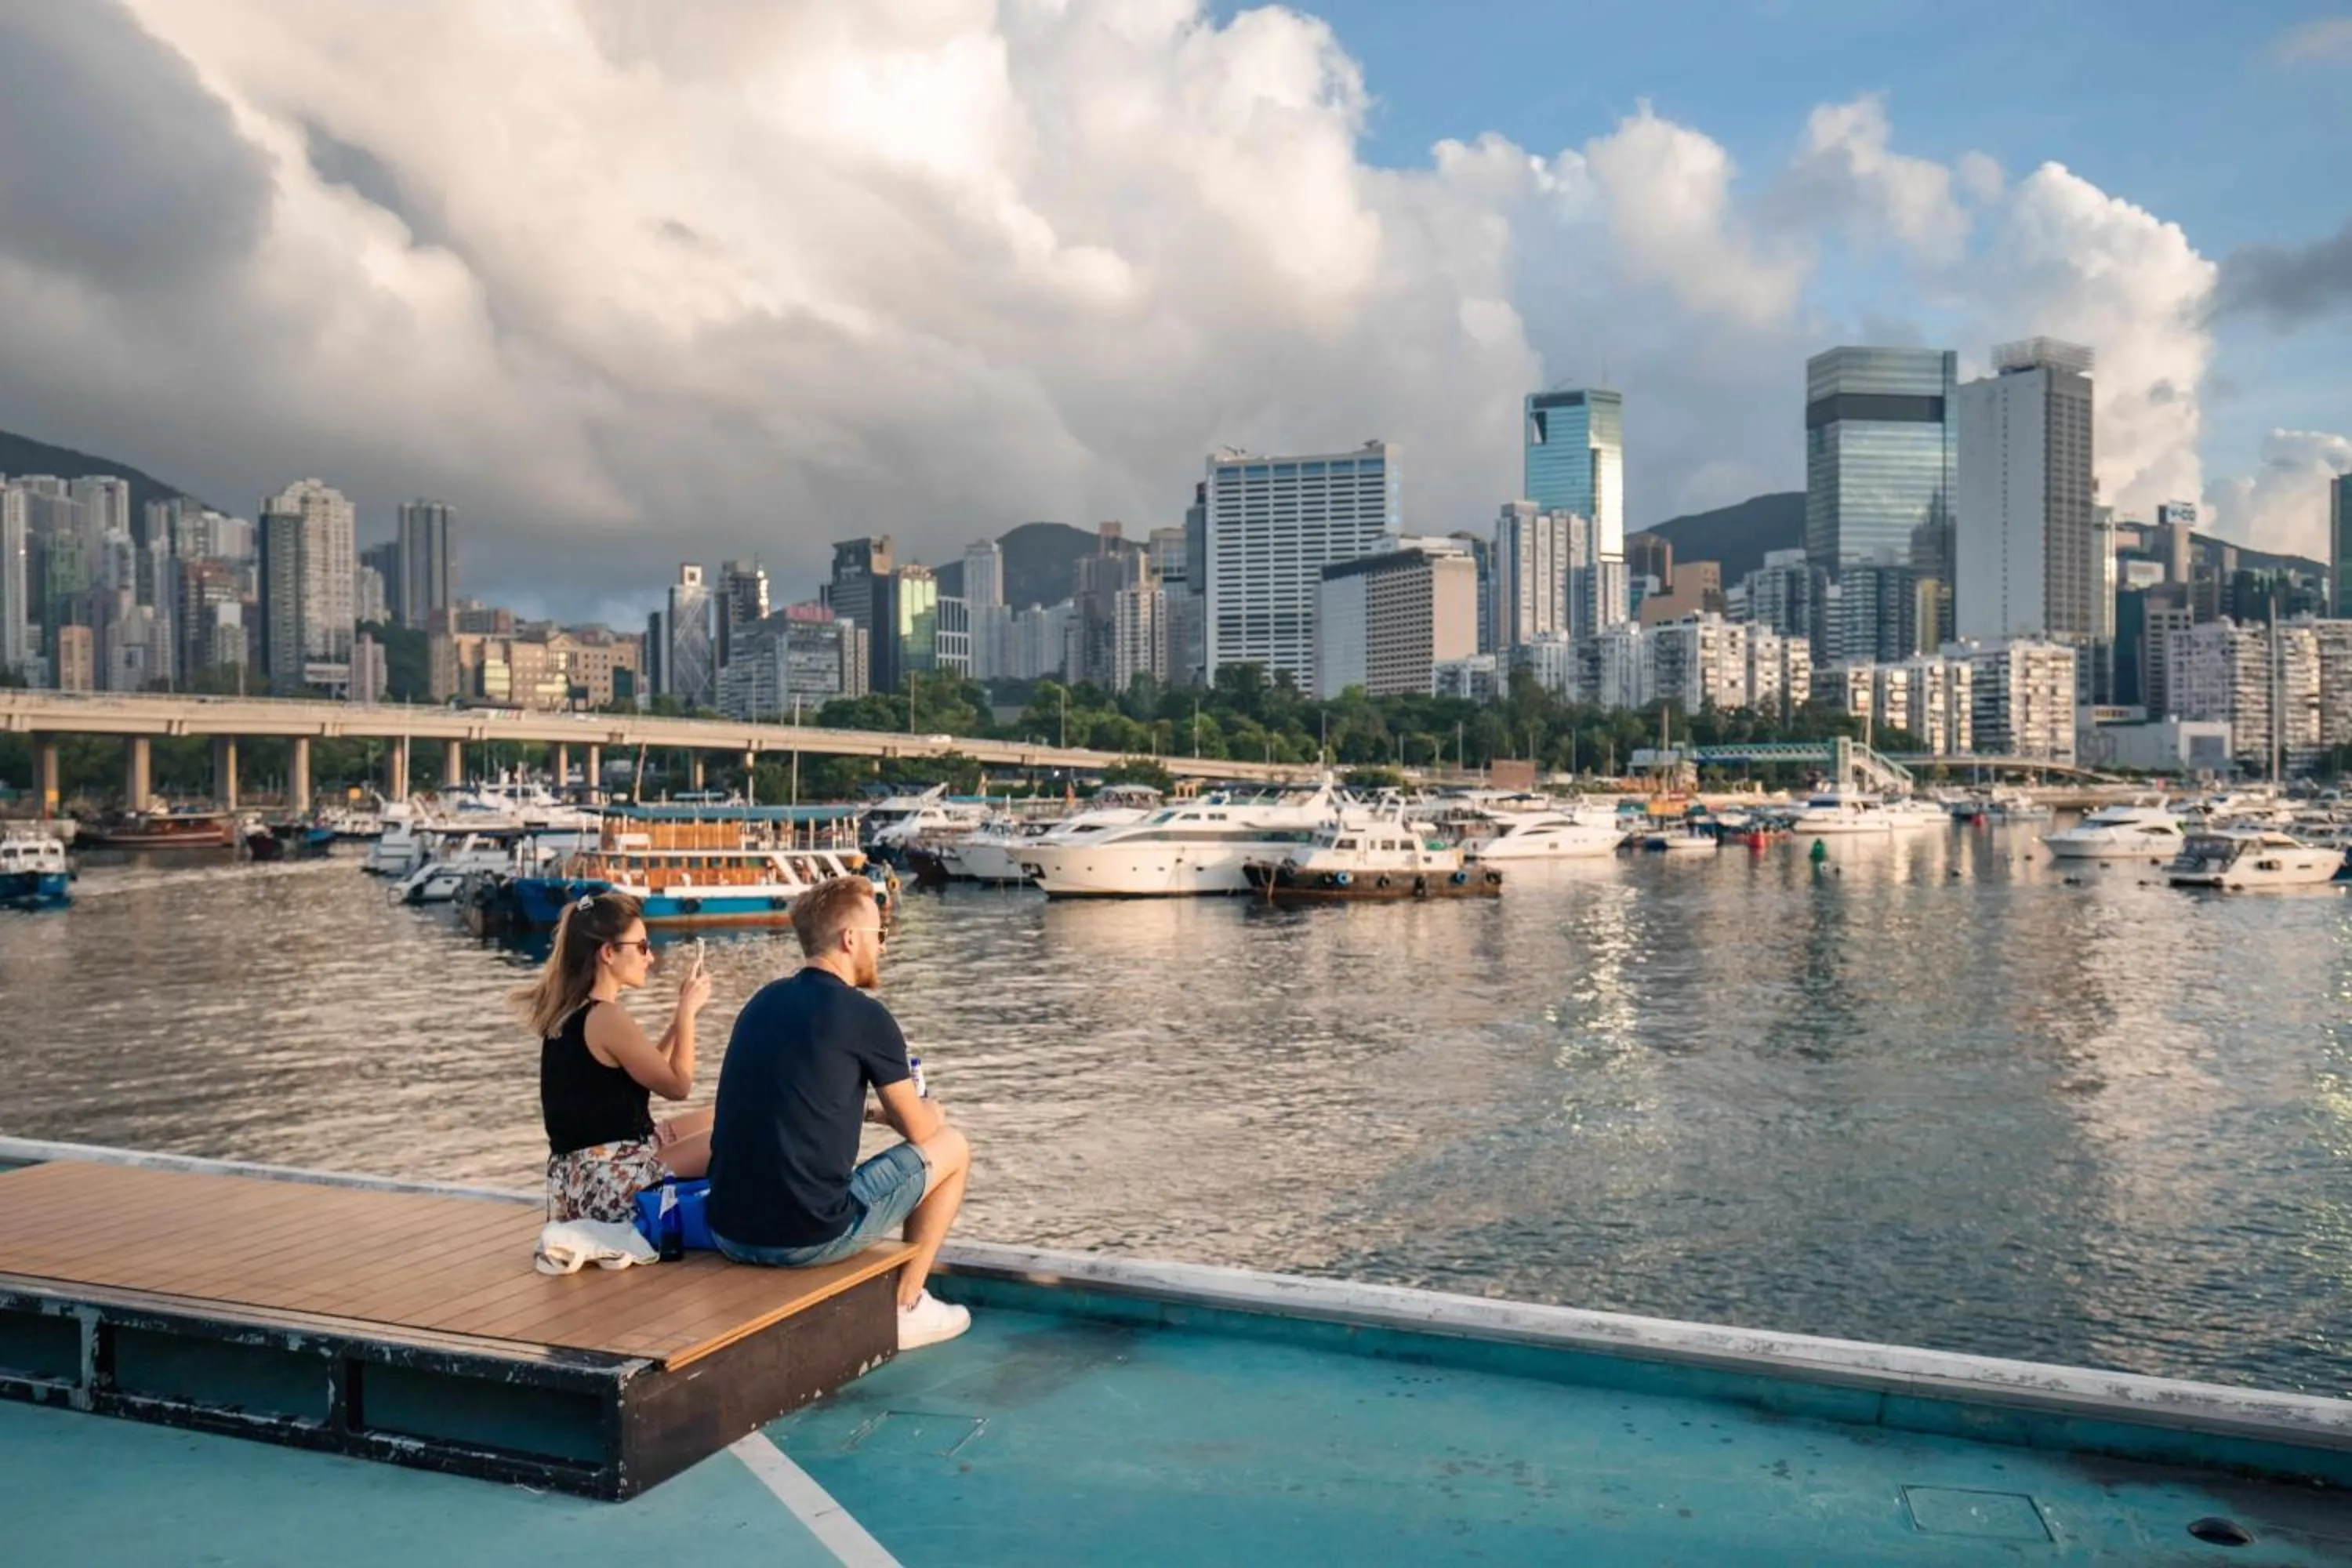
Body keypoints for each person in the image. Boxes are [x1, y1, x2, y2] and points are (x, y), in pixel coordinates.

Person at [706, 875, 972, 1351]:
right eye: (880, 934)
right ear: (850, 939)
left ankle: (905, 1301)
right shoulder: (865, 1016)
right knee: (953, 1146)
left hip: (728, 1231)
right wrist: (931, 1111)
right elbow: (920, 1130)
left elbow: (795, 1100)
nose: (884, 947)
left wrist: (871, 1113)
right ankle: (906, 1305)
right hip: (807, 1238)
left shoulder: (761, 1002)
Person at [517, 891, 713, 1225]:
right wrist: (687, 1015)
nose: (650, 957)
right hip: (607, 1181)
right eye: (642, 947)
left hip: (581, 1179)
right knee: (737, 1133)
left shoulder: (577, 1011)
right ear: (608, 953)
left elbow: (645, 1070)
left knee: (728, 1115)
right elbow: (678, 1086)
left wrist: (677, 1020)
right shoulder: (606, 1017)